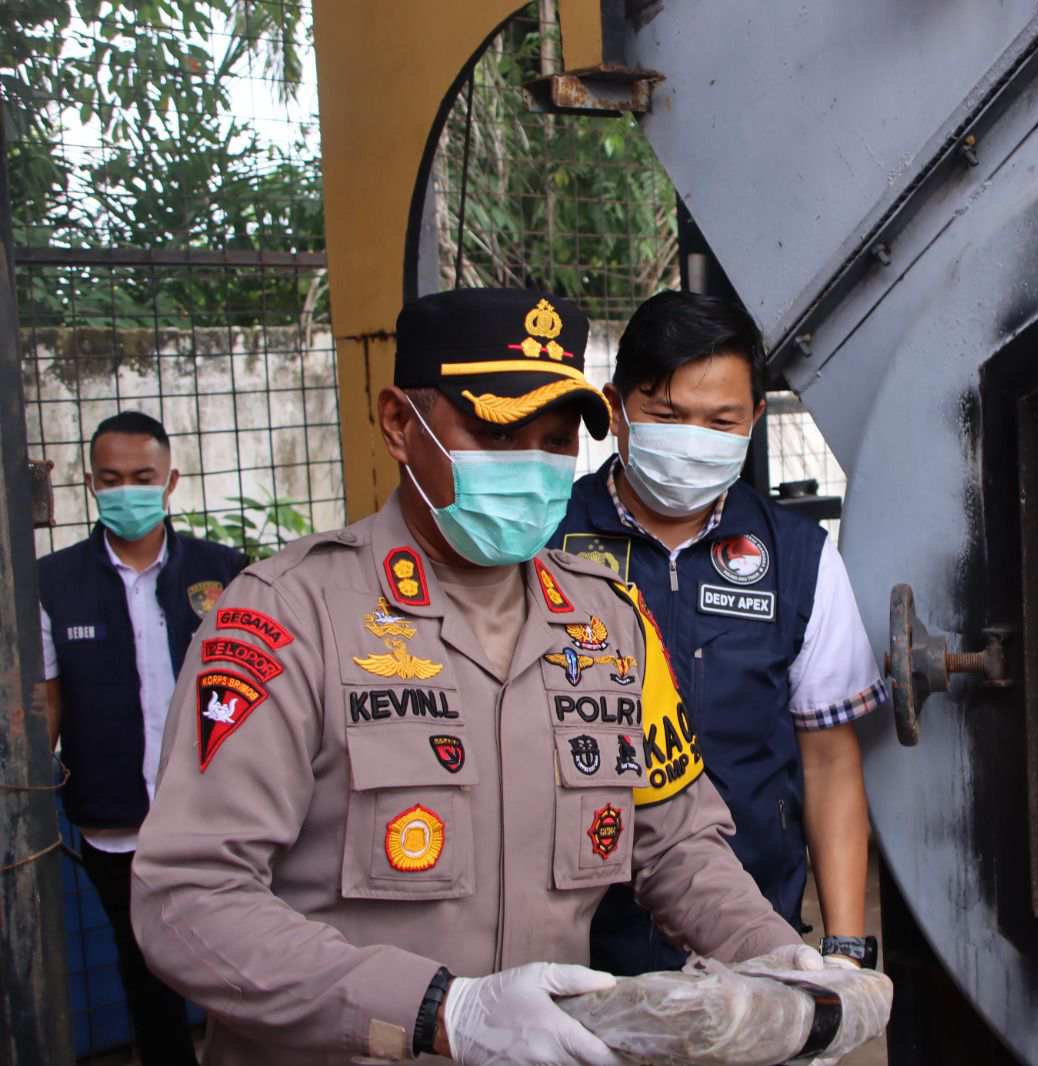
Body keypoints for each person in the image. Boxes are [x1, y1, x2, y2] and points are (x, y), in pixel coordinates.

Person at [130, 289, 820, 1066]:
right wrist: (441, 1011)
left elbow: (676, 844)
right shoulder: (290, 617)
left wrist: (768, 952)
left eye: (556, 441)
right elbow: (188, 900)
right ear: (399, 423)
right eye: (497, 430)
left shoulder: (610, 623)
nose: (531, 464)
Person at [553, 291, 886, 975]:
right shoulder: (547, 540)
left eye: (720, 420)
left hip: (755, 934)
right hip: (575, 946)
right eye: (667, 416)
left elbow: (828, 761)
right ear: (615, 410)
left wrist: (846, 950)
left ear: (754, 419)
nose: (692, 439)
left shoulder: (798, 557)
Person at [39, 410, 248, 1066]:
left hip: (222, 813)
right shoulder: (52, 583)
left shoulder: (227, 573)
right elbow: (46, 704)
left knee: (240, 964)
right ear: (92, 485)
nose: (125, 491)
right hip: (114, 821)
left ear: (170, 480)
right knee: (144, 969)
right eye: (110, 479)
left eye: (141, 477)